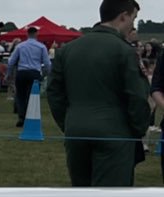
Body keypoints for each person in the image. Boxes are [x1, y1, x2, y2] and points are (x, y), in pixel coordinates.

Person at [49, 0, 150, 187]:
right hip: (115, 133)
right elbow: (137, 96)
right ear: (123, 16)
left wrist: (70, 121)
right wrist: (138, 129)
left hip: (76, 130)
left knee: (81, 193)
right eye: (133, 18)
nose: (133, 25)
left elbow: (55, 93)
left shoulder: (68, 50)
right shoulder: (125, 51)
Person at [7, 26, 52, 127]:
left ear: (27, 34)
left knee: (20, 96)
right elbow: (47, 64)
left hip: (21, 72)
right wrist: (46, 74)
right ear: (37, 34)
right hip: (34, 72)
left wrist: (8, 74)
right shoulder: (41, 47)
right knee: (32, 96)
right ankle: (29, 116)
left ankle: (21, 116)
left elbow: (11, 61)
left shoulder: (20, 46)